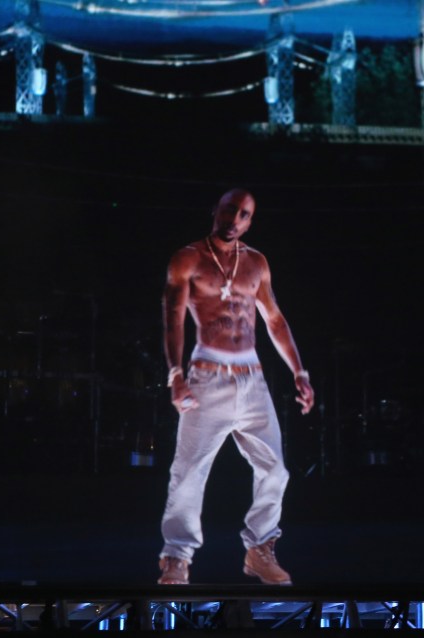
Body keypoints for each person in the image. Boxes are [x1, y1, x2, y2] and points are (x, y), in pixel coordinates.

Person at [157, 188, 314, 586]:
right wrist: (175, 376)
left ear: (249, 221)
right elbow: (173, 318)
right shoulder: (188, 258)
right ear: (216, 210)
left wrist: (299, 372)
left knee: (275, 469)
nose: (235, 219)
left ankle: (260, 549)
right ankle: (176, 557)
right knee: (189, 470)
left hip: (252, 379)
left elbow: (274, 320)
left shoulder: (257, 263)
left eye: (244, 215)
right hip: (207, 377)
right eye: (230, 210)